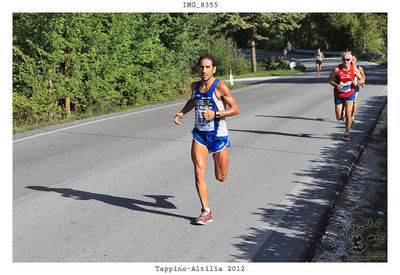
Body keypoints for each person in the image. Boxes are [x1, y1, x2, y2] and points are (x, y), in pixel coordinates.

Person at [173, 54, 240, 225]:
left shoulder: (221, 87)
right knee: (198, 169)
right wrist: (182, 112)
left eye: (208, 67)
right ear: (198, 69)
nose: (204, 70)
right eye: (202, 67)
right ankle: (206, 211)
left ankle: (223, 160)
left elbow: (235, 109)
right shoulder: (195, 86)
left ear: (214, 69)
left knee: (221, 177)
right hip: (200, 135)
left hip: (218, 136)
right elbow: (193, 101)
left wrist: (216, 114)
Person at [328, 51, 364, 141]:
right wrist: (336, 85)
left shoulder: (354, 69)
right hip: (339, 94)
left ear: (351, 60)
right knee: (339, 117)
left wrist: (358, 82)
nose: (346, 62)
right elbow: (330, 80)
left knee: (349, 114)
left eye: (348, 60)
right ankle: (342, 115)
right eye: (344, 60)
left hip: (350, 93)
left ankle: (346, 132)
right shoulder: (337, 69)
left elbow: (363, 79)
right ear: (342, 60)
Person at [351, 54, 366, 124]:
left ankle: (352, 117)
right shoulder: (348, 67)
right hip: (349, 87)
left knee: (354, 101)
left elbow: (363, 76)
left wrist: (362, 83)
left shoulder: (359, 68)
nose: (352, 61)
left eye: (353, 60)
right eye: (351, 60)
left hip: (356, 87)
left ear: (356, 59)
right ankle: (346, 112)